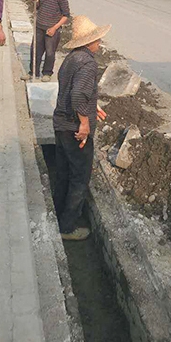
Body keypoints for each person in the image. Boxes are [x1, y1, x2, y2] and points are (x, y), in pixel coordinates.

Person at [53, 16, 111, 241]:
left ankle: (57, 213)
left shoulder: (71, 59)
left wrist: (91, 105)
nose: (100, 43)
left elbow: (71, 89)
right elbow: (77, 94)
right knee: (79, 177)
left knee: (64, 173)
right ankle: (67, 228)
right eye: (98, 40)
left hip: (61, 124)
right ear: (89, 42)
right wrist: (85, 123)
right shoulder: (88, 63)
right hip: (74, 130)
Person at [25, 0, 70, 82]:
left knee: (50, 53)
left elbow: (66, 15)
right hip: (39, 25)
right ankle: (33, 72)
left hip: (52, 28)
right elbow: (39, 6)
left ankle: (47, 73)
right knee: (35, 51)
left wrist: (55, 28)